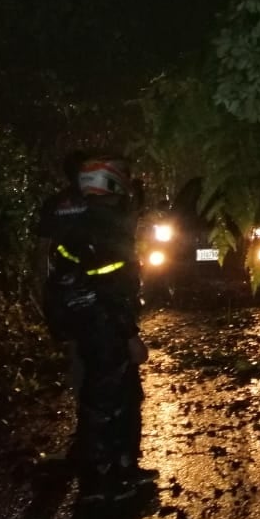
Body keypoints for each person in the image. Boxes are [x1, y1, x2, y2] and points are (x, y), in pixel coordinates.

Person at [37, 151, 155, 501]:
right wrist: (131, 335)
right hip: (106, 325)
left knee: (113, 396)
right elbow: (112, 284)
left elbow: (52, 267)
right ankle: (103, 478)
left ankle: (121, 468)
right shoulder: (105, 222)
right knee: (108, 401)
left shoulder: (71, 215)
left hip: (85, 320)